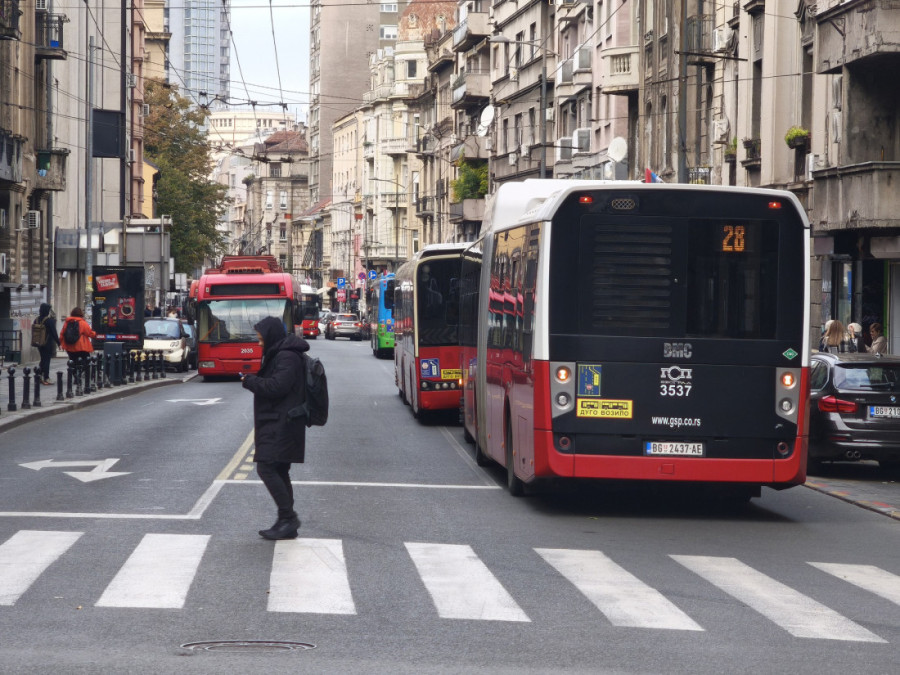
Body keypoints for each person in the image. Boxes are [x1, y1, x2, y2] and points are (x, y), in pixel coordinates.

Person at [240, 316, 310, 540]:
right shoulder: (282, 354)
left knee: (267, 468)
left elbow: (277, 387)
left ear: (270, 336)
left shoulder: (286, 356)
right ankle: (285, 522)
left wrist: (250, 381)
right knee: (278, 469)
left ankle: (288, 518)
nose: (259, 344)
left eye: (261, 339)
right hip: (279, 420)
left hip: (282, 422)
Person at [35, 303, 60, 384]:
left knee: (43, 359)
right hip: (47, 343)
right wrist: (59, 343)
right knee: (46, 360)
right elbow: (54, 333)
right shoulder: (49, 321)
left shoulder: (37, 319)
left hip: (38, 342)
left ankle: (39, 374)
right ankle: (46, 377)